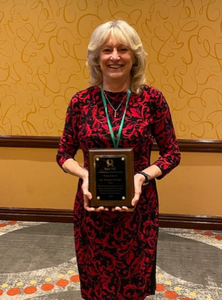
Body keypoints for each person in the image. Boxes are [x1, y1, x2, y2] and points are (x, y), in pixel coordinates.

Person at [56, 20, 181, 300]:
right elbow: (63, 154)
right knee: (96, 282)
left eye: (123, 49)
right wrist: (85, 174)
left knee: (133, 283)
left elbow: (172, 153)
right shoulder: (80, 102)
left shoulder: (152, 100)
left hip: (139, 209)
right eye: (107, 50)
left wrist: (142, 176)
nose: (115, 56)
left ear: (134, 56)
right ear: (96, 58)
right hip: (92, 208)